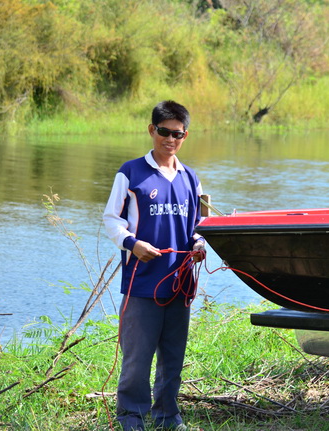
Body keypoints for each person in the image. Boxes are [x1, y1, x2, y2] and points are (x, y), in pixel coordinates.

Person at [103, 100, 205, 431]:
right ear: (152, 130)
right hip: (142, 283)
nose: (170, 139)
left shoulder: (192, 179)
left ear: (185, 135)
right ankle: (131, 417)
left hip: (179, 284)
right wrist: (133, 243)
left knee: (172, 359)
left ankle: (167, 417)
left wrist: (199, 246)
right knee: (137, 359)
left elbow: (200, 226)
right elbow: (110, 220)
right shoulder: (131, 173)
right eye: (164, 132)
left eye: (177, 134)